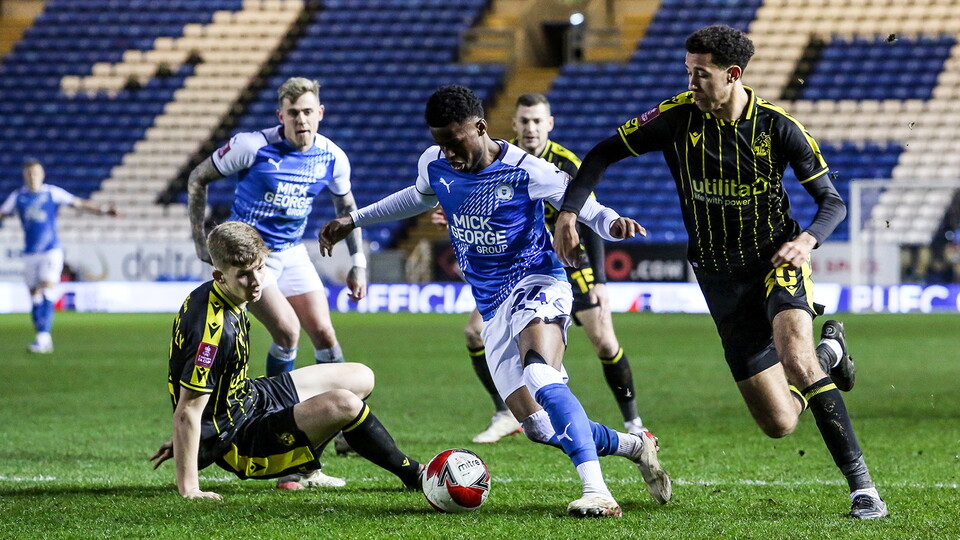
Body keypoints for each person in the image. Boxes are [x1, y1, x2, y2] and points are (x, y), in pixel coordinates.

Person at [553, 25, 885, 519]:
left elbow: (831, 202)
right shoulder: (675, 118)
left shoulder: (778, 127)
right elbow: (602, 152)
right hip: (717, 277)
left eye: (700, 74)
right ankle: (831, 353)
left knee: (795, 356)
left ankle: (864, 489)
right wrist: (567, 213)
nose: (690, 83)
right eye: (688, 72)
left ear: (732, 75)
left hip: (776, 261)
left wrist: (805, 240)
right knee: (779, 423)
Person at [320, 85, 671, 517]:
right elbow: (416, 196)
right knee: (539, 427)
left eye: (455, 141)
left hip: (537, 281)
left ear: (481, 127)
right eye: (439, 143)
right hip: (492, 305)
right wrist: (352, 219)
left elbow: (585, 203)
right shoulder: (434, 163)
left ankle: (596, 491)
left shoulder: (527, 169)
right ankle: (634, 445)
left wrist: (613, 223)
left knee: (542, 375)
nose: (447, 153)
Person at [432, 93, 648, 443]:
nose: (530, 127)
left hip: (571, 265)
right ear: (514, 124)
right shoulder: (490, 159)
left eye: (537, 121)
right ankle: (505, 411)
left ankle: (633, 421)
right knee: (473, 332)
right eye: (524, 121)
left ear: (549, 124)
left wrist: (600, 280)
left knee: (605, 343)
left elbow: (589, 214)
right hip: (516, 270)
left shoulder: (564, 162)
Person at [149, 221, 421, 499]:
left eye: (260, 268)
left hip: (249, 398)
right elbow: (187, 410)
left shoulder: (220, 293)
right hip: (237, 439)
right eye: (244, 275)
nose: (257, 282)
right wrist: (191, 488)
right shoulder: (212, 333)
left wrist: (189, 437)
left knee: (360, 377)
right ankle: (417, 474)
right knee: (345, 404)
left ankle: (305, 470)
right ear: (219, 275)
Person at [186, 77, 365, 488]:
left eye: (308, 112)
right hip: (253, 258)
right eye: (293, 113)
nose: (301, 120)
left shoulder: (332, 157)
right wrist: (202, 242)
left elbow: (347, 208)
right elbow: (198, 177)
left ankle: (335, 430)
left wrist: (359, 263)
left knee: (324, 333)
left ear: (320, 113)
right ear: (280, 115)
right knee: (287, 332)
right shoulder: (251, 146)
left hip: (293, 250)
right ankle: (271, 424)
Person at [0, 159, 118, 353]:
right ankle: (42, 335)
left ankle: (43, 337)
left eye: (36, 173)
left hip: (50, 250)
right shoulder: (18, 197)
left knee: (45, 290)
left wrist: (103, 210)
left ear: (42, 175)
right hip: (30, 253)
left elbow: (78, 203)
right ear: (24, 176)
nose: (32, 176)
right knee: (34, 297)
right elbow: (3, 213)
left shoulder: (52, 193)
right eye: (29, 173)